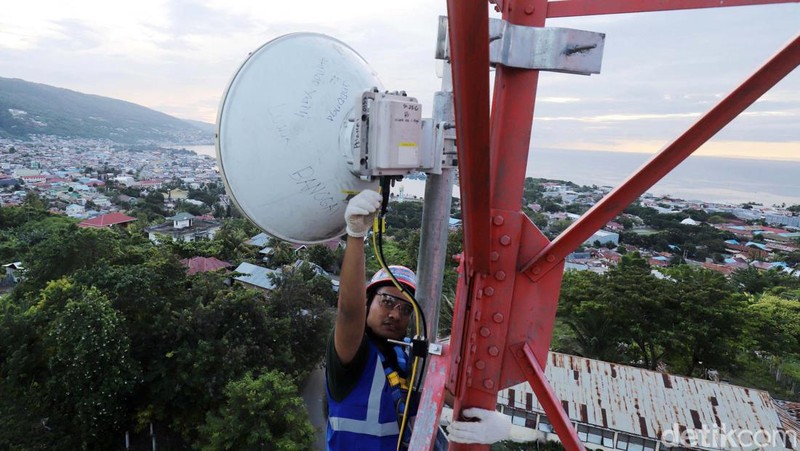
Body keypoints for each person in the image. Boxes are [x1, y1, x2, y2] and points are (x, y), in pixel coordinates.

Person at [325, 190, 515, 450]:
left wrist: (497, 423)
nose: (395, 314)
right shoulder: (351, 356)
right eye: (387, 302)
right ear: (368, 302)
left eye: (406, 309)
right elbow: (349, 313)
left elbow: (456, 398)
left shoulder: (411, 357)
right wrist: (356, 235)